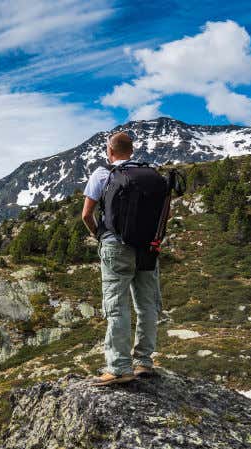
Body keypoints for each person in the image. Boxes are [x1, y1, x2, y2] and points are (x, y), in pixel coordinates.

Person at [80, 132, 168, 386]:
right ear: (132, 150)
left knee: (117, 306)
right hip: (148, 247)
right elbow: (164, 213)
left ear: (110, 150)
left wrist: (99, 234)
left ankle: (119, 367)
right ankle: (144, 362)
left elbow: (86, 214)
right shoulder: (152, 176)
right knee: (147, 304)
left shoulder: (102, 174)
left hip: (115, 247)